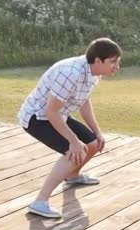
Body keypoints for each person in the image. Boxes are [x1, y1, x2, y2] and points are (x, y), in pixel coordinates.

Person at [17, 38, 121, 218]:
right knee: (75, 152)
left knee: (93, 143)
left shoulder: (95, 74)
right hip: (37, 117)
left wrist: (97, 131)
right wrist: (73, 141)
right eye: (113, 62)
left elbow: (84, 102)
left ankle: (72, 176)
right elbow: (51, 112)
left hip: (59, 114)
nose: (117, 67)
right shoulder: (70, 73)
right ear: (98, 60)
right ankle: (39, 202)